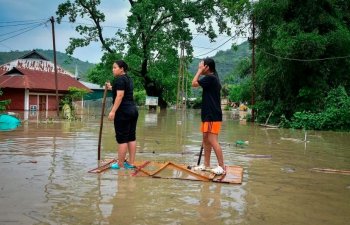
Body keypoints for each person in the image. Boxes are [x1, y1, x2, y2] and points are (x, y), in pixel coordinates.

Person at [191, 58, 225, 175]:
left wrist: (199, 71)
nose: (200, 67)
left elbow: (194, 83)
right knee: (205, 139)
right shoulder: (212, 78)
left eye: (202, 65)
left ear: (207, 67)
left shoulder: (211, 78)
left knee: (212, 140)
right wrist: (201, 69)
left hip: (212, 115)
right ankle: (206, 164)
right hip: (207, 115)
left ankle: (221, 166)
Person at [107, 60, 138, 169]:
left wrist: (113, 111)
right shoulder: (128, 79)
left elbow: (119, 96)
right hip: (133, 110)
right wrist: (111, 87)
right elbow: (123, 91)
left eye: (115, 67)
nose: (113, 69)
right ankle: (131, 163)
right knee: (131, 137)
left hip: (123, 112)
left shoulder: (119, 80)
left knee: (122, 139)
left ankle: (120, 165)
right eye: (113, 67)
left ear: (122, 69)